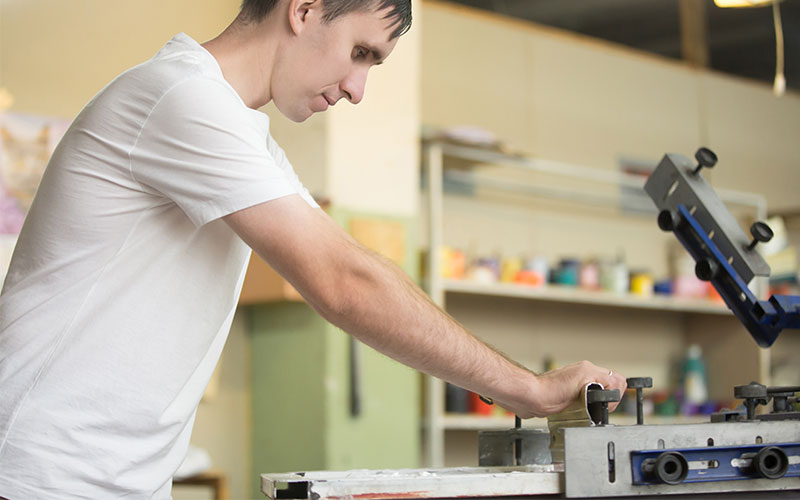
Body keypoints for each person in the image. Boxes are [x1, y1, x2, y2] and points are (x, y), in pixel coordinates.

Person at [0, 0, 627, 498]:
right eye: (359, 52)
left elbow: (354, 266)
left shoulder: (246, 138)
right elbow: (346, 286)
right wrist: (530, 391)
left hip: (121, 483)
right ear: (303, 9)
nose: (357, 89)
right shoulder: (178, 98)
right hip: (41, 474)